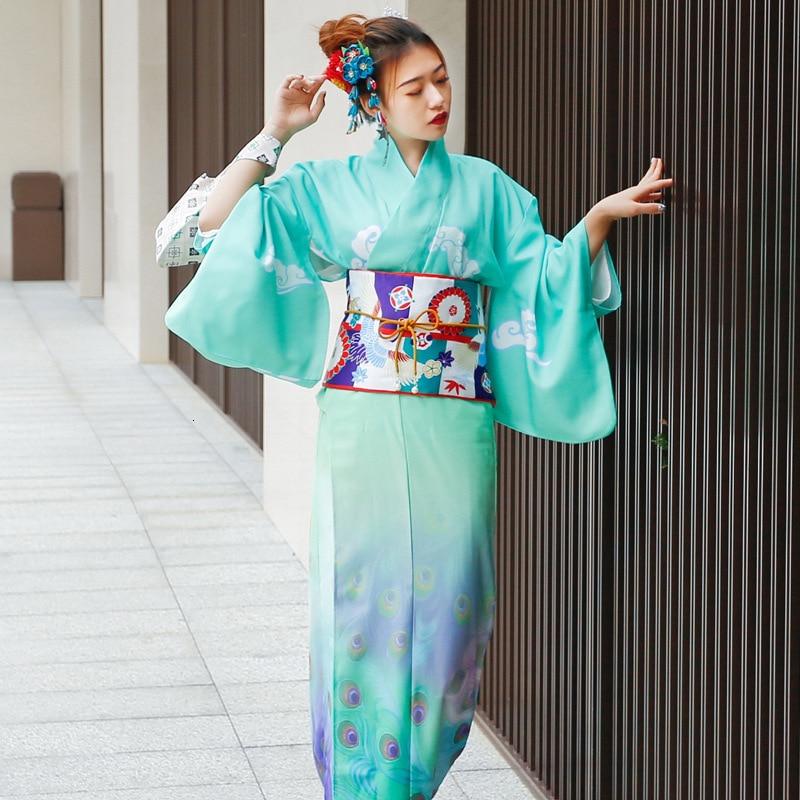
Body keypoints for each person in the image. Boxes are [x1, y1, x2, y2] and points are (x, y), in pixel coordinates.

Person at [157, 10, 673, 799]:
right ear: (377, 101)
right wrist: (277, 134)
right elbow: (198, 235)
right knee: (360, 600)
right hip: (361, 422)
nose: (437, 98)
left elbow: (545, 278)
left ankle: (419, 777)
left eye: (443, 80)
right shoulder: (329, 187)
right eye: (415, 87)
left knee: (451, 606)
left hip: (452, 422)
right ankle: (359, 785)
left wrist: (597, 221)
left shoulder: (486, 189)